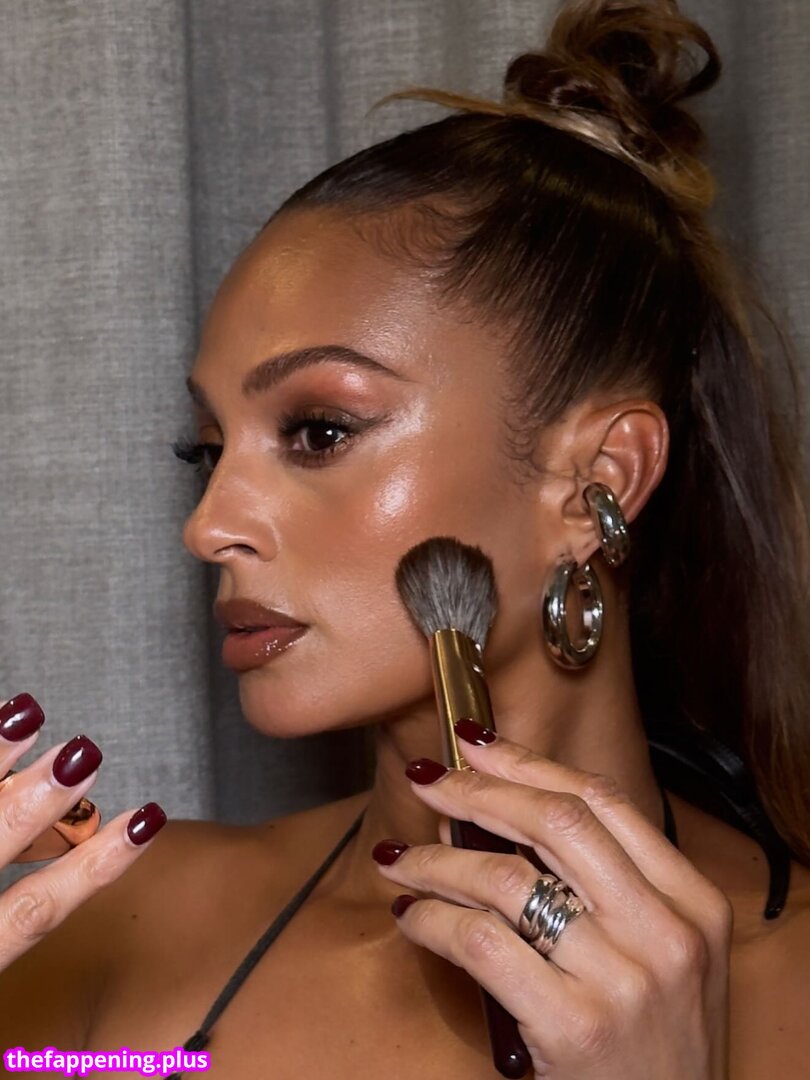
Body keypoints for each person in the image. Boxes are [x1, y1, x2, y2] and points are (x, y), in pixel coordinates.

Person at [1, 0, 809, 1076]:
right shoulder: (122, 919)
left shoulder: (787, 986)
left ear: (597, 480)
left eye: (319, 431)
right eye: (207, 451)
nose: (208, 527)